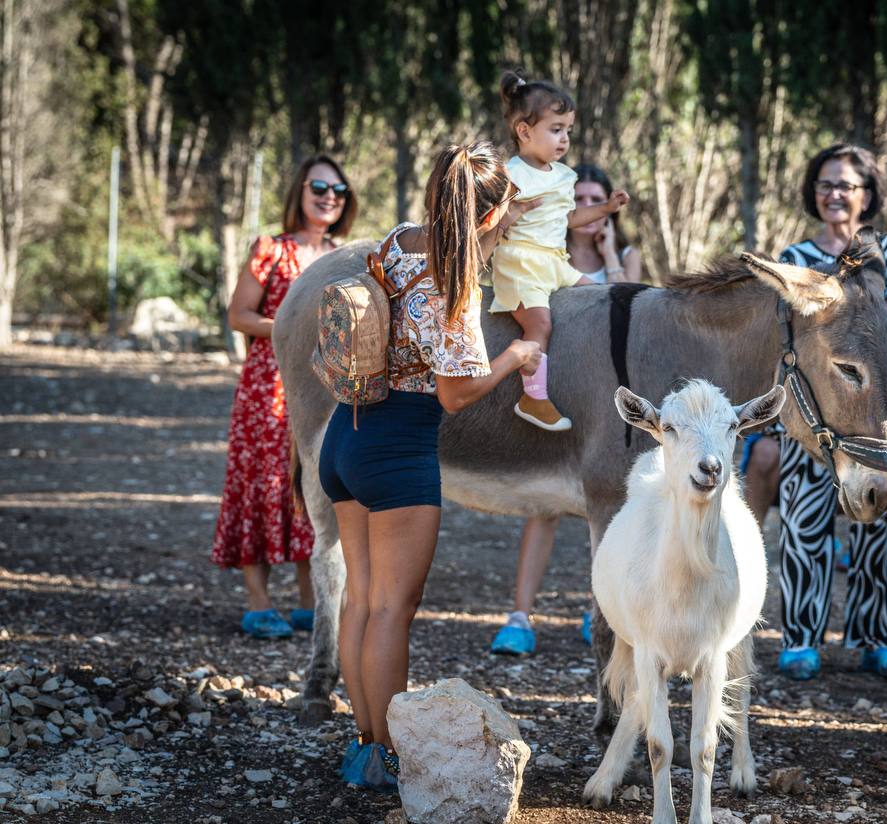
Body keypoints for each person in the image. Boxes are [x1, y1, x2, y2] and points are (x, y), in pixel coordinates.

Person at [318, 142, 543, 789]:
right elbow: (453, 392)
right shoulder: (457, 282)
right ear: (490, 216)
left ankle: (366, 747)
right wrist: (514, 357)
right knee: (392, 609)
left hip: (347, 432)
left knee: (361, 600)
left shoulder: (396, 241)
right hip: (399, 450)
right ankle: (387, 758)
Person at [773, 143, 887, 681]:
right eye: (825, 184)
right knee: (803, 522)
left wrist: (844, 315)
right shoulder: (796, 258)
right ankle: (800, 638)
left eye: (846, 185)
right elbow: (790, 330)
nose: (834, 194)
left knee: (875, 521)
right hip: (814, 408)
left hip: (882, 408)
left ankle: (875, 636)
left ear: (868, 194)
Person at [490, 163, 644, 655]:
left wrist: (607, 253)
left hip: (608, 398)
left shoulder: (624, 256)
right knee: (546, 506)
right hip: (561, 386)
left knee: (607, 506)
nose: (587, 210)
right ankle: (520, 614)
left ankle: (600, 609)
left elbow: (627, 299)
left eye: (595, 201)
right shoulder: (543, 253)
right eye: (579, 201)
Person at [212, 154, 358, 639]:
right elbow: (239, 315)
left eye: (338, 190)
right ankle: (258, 602)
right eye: (319, 186)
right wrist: (295, 328)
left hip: (327, 387)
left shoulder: (346, 256)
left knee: (312, 483)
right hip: (268, 388)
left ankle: (308, 600)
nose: (328, 196)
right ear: (299, 189)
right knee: (261, 484)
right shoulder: (270, 250)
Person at [492, 70, 629, 432]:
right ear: (524, 131)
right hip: (521, 262)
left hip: (555, 261)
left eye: (568, 130)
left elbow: (569, 217)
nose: (565, 138)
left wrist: (606, 209)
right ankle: (533, 398)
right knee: (540, 323)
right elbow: (491, 221)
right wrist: (508, 213)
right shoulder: (511, 174)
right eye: (556, 129)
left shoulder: (565, 176)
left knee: (600, 299)